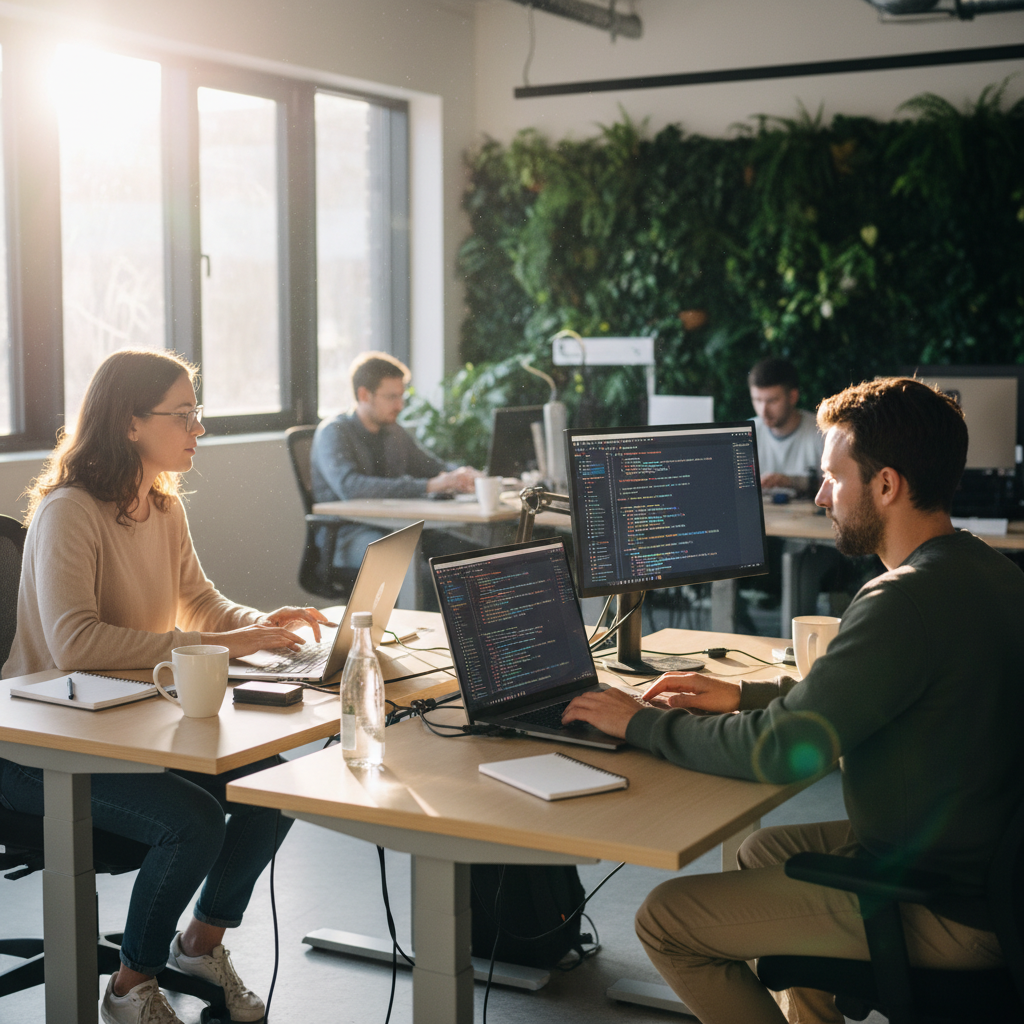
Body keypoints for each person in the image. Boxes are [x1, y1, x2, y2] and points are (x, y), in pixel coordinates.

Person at [562, 376, 1024, 1024]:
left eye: (834, 477)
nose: (820, 494)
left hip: (945, 904)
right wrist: (743, 692)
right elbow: (885, 692)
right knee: (761, 851)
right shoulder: (988, 572)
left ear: (887, 485)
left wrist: (642, 723)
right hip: (978, 866)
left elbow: (778, 751)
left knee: (665, 919)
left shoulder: (904, 601)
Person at [0, 349, 331, 1024]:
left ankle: (198, 945)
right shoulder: (71, 511)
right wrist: (223, 643)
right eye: (182, 415)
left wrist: (261, 625)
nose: (198, 429)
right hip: (37, 750)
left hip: (125, 725)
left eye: (196, 413)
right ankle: (129, 984)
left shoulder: (162, 507)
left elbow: (201, 605)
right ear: (129, 423)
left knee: (272, 791)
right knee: (195, 820)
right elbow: (77, 644)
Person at [310, 351, 479, 592]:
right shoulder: (333, 432)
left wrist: (465, 474)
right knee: (424, 579)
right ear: (363, 395)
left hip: (399, 528)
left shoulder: (393, 432)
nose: (399, 405)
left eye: (401, 396)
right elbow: (351, 487)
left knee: (474, 558)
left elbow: (434, 467)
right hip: (349, 534)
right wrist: (429, 485)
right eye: (391, 397)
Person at [749, 357, 824, 495]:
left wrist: (790, 481)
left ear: (793, 397)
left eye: (772, 401)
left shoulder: (821, 433)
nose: (763, 411)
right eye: (757, 400)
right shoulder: (747, 433)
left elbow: (838, 486)